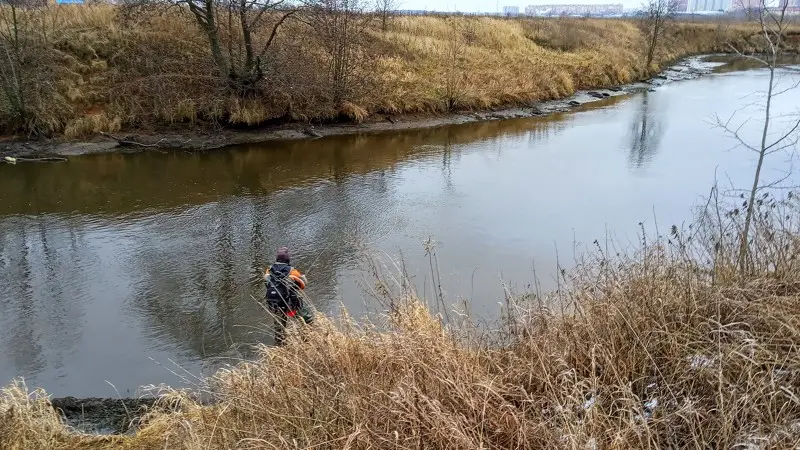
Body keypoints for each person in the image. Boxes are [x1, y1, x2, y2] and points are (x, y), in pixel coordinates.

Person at [263, 247, 314, 345]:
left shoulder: (269, 271)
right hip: (291, 304)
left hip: (274, 304)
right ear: (288, 259)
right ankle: (307, 342)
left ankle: (280, 346)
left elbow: (267, 284)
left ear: (277, 259)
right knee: (307, 321)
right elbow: (302, 285)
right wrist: (302, 278)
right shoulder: (292, 271)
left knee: (279, 330)